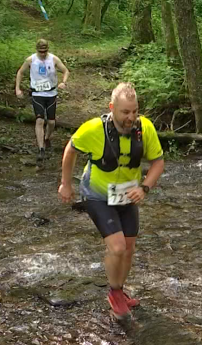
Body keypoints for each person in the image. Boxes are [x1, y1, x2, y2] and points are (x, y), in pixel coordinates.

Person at [58, 82, 165, 319]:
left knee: (129, 249)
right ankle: (114, 292)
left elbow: (158, 162)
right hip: (97, 195)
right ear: (112, 108)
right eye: (125, 112)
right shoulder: (94, 129)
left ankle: (119, 290)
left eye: (135, 111)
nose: (131, 117)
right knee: (117, 247)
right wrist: (66, 184)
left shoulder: (144, 128)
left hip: (127, 194)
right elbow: (71, 149)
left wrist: (145, 187)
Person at [15, 39, 70, 163]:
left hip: (51, 93)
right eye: (41, 51)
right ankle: (41, 149)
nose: (43, 54)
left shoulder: (54, 59)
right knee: (39, 120)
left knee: (51, 122)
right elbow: (20, 72)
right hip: (37, 93)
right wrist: (17, 89)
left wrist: (63, 82)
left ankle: (47, 138)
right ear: (37, 50)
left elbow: (66, 71)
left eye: (45, 51)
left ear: (48, 50)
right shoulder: (31, 60)